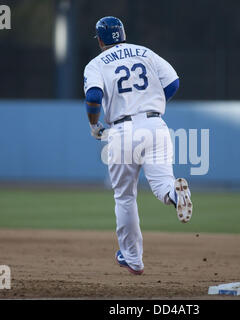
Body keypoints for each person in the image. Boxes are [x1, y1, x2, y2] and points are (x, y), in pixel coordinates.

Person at [83, 16, 193, 275]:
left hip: (122, 131)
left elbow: (93, 96)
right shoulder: (145, 52)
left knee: (125, 197)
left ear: (100, 40)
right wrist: (150, 101)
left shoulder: (96, 64)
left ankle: (133, 259)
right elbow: (173, 82)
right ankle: (176, 195)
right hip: (156, 125)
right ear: (122, 34)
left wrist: (93, 123)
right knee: (162, 183)